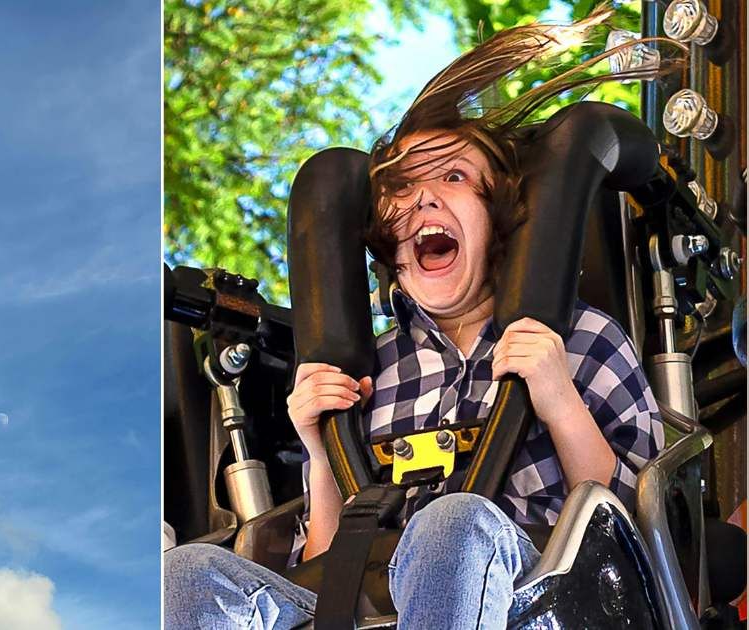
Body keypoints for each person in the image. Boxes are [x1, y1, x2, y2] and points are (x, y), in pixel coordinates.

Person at [164, 7, 682, 629]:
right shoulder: (374, 369)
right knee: (186, 572)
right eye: (402, 190)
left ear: (499, 219)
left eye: (454, 176)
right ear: (385, 239)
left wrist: (558, 397)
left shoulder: (584, 339)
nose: (424, 197)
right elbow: (329, 565)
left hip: (544, 594)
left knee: (452, 523)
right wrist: (321, 453)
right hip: (376, 600)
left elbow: (631, 528)